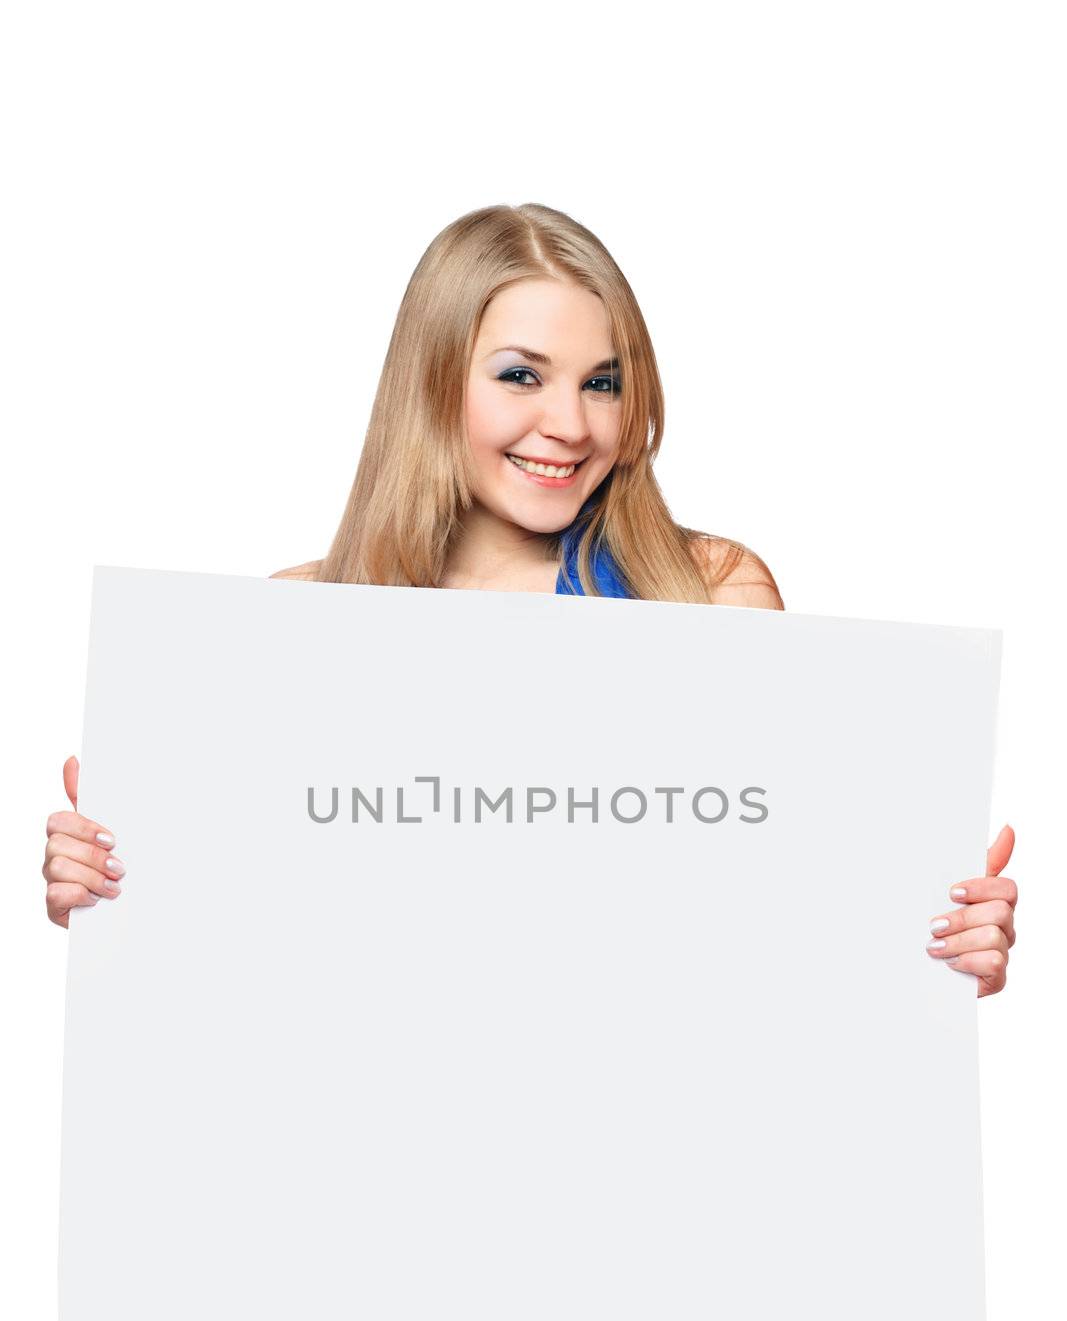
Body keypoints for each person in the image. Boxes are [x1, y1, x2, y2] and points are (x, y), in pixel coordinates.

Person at [41, 202, 1018, 995]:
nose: (569, 423)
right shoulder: (294, 622)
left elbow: (791, 924)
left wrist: (934, 948)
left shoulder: (711, 596)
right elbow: (242, 950)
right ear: (430, 385)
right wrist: (116, 889)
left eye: (601, 382)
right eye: (520, 376)